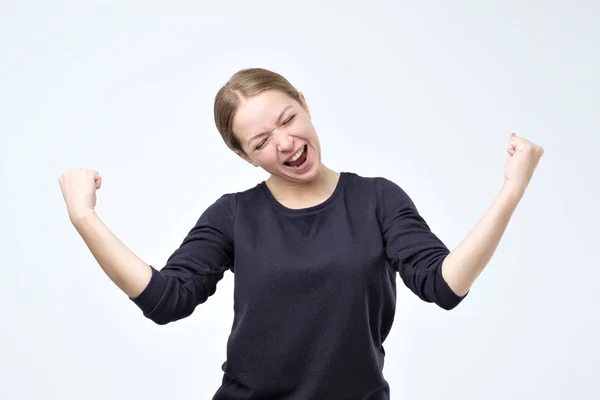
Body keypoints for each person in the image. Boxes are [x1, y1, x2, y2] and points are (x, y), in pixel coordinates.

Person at [58, 68, 544, 399]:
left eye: (287, 119)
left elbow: (443, 285)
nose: (285, 143)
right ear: (245, 157)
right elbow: (167, 300)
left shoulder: (377, 199)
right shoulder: (233, 215)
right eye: (261, 141)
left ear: (305, 104)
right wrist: (85, 219)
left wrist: (512, 189)